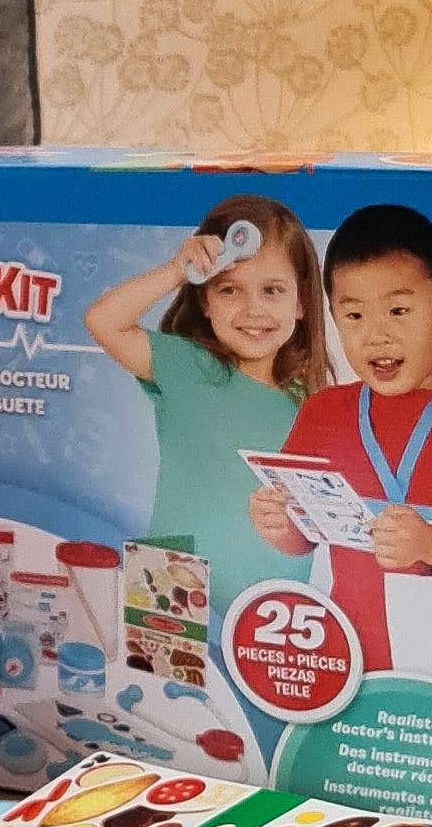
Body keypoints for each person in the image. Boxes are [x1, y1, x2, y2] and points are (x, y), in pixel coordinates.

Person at [247, 200, 432, 669]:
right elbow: (304, 538)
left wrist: (431, 544)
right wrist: (279, 523)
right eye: (354, 316)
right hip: (348, 657)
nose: (376, 335)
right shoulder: (323, 413)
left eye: (398, 310)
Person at [80, 194, 323, 632]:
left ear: (301, 302)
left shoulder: (315, 403)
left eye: (272, 290)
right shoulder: (187, 365)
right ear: (205, 299)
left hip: (272, 600)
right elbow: (103, 321)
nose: (253, 309)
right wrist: (177, 271)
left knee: (249, 680)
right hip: (169, 579)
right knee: (154, 680)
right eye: (229, 289)